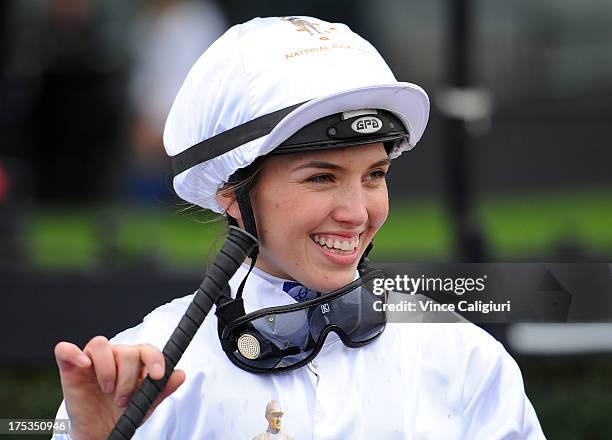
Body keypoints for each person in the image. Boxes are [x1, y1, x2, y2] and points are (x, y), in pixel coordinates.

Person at [53, 16, 545, 439]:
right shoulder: (144, 372)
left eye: (375, 175)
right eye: (321, 178)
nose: (356, 212)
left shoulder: (466, 361)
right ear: (231, 191)